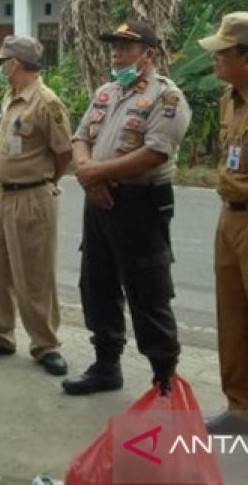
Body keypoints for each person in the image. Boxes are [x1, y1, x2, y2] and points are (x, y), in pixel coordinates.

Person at [64, 20, 191, 397]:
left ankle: (164, 378)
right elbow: (81, 137)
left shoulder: (166, 98)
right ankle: (106, 365)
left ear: (149, 54)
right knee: (96, 283)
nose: (116, 53)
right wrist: (90, 175)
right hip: (100, 201)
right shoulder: (106, 93)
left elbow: (154, 152)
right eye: (114, 46)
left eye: (125, 47)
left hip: (140, 204)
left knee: (147, 290)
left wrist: (93, 173)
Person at [0, 35, 73, 377]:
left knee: (35, 276)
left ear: (15, 64)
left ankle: (46, 344)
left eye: (2, 62)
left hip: (31, 197)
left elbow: (64, 153)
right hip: (0, 195)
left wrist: (44, 183)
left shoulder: (46, 103)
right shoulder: (11, 98)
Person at [197, 12, 248, 436]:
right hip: (230, 217)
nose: (215, 61)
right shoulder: (229, 99)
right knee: (234, 317)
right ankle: (243, 409)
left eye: (222, 54)